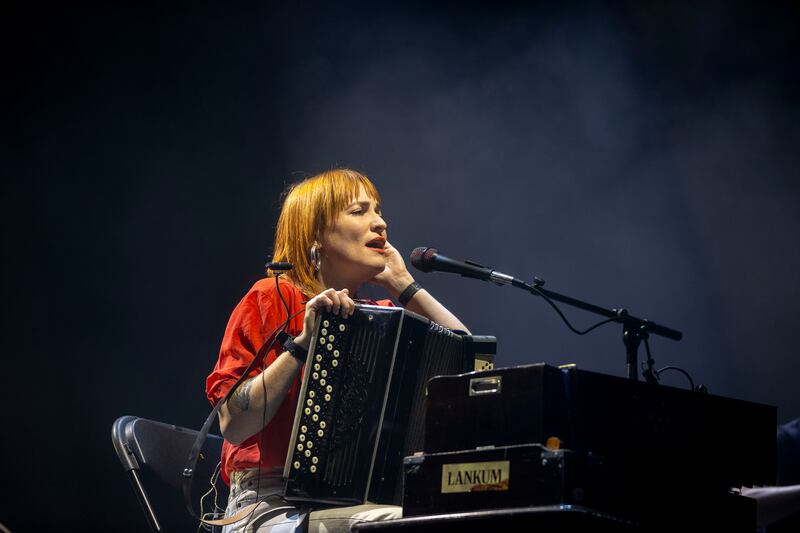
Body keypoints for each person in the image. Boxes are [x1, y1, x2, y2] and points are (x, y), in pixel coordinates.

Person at [206, 169, 469, 532]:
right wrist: (303, 344)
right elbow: (233, 425)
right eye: (359, 211)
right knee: (406, 524)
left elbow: (467, 359)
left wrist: (404, 286)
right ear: (315, 234)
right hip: (269, 505)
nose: (380, 223)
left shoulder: (382, 316)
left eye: (378, 210)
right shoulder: (272, 297)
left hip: (362, 499)